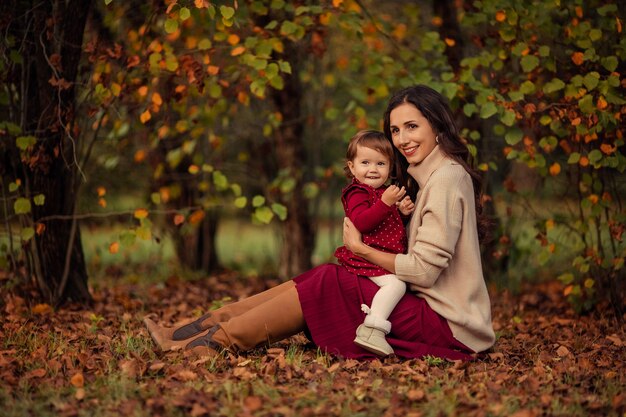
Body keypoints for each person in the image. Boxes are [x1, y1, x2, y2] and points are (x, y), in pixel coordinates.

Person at [144, 85, 496, 361]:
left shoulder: (447, 178)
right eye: (395, 130)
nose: (402, 139)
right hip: (427, 310)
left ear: (437, 125)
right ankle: (194, 332)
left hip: (449, 326)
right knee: (322, 276)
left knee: (329, 280)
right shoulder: (429, 177)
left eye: (412, 126)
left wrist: (359, 249)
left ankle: (213, 343)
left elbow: (423, 272)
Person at [333, 130, 415, 356]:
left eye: (380, 163)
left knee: (400, 284)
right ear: (352, 167)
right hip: (365, 256)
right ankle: (372, 329)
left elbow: (388, 224)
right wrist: (386, 202)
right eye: (365, 162)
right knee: (396, 285)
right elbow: (363, 222)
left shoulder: (380, 192)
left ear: (389, 167)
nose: (373, 169)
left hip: (381, 255)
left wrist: (403, 212)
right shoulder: (357, 192)